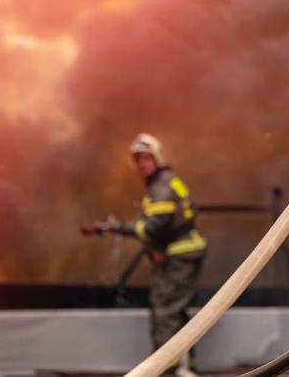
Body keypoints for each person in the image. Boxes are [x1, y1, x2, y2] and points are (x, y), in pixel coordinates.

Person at [81, 133, 206, 374]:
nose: (142, 164)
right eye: (138, 159)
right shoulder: (166, 182)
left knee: (165, 310)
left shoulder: (161, 186)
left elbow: (155, 226)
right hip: (182, 252)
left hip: (178, 255)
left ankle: (169, 369)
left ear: (157, 158)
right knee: (175, 309)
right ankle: (184, 367)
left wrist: (117, 228)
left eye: (146, 158)